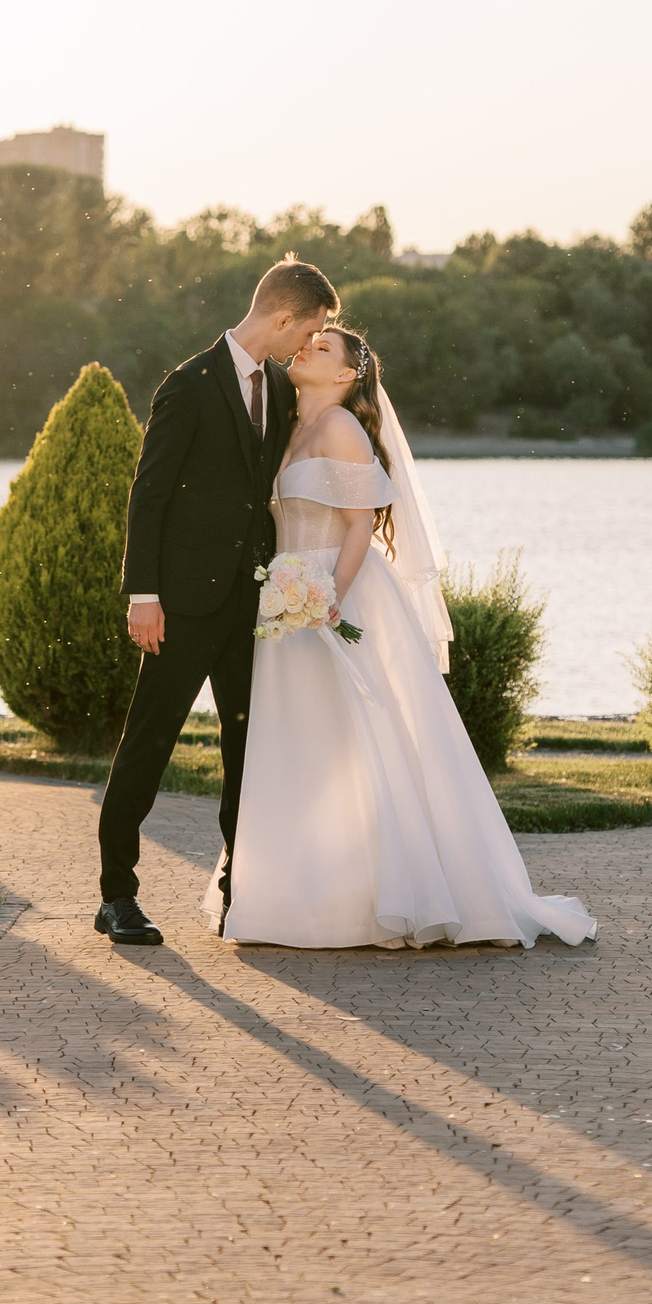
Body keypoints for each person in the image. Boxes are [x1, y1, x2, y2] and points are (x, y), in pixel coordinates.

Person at [215, 326, 594, 949]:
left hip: (337, 597)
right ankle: (298, 895)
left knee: (359, 740)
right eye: (307, 341)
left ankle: (378, 897)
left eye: (322, 348)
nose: (305, 348)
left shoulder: (339, 428)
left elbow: (358, 526)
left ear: (344, 376)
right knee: (299, 745)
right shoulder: (286, 429)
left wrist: (330, 596)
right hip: (283, 606)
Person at [95, 253, 339, 945]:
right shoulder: (189, 385)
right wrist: (143, 593)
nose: (308, 345)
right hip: (179, 603)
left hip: (250, 604)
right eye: (309, 330)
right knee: (147, 743)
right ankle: (117, 894)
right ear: (283, 316)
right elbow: (150, 492)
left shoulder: (284, 390)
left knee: (248, 749)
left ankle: (242, 889)